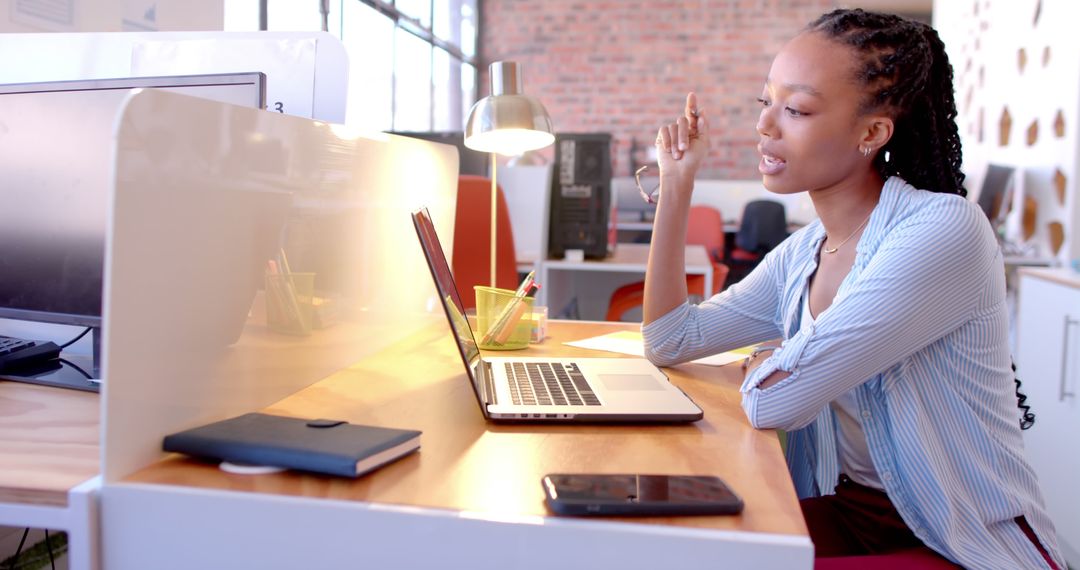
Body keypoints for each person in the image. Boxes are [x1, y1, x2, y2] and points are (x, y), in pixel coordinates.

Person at [641, 8, 1064, 569]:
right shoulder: (806, 252)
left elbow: (775, 399)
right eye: (765, 102)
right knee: (672, 543)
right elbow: (669, 339)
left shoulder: (943, 229)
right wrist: (676, 183)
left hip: (954, 539)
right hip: (857, 514)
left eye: (796, 109)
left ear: (872, 133)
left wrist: (775, 363)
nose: (766, 125)